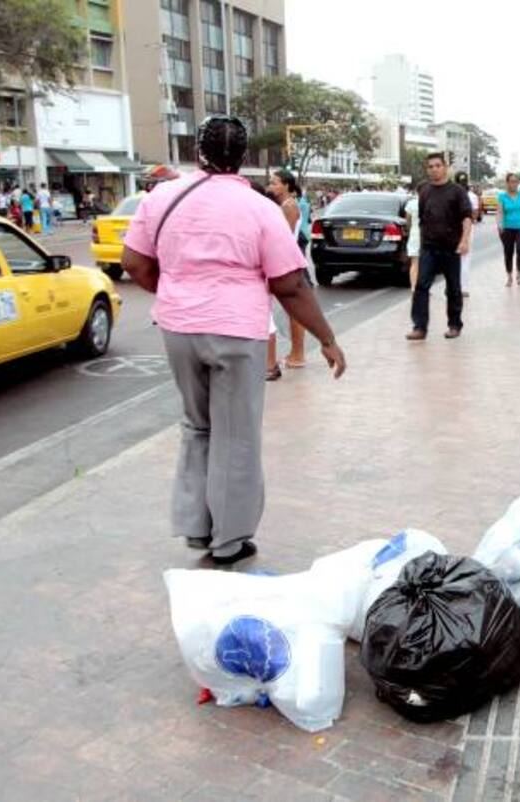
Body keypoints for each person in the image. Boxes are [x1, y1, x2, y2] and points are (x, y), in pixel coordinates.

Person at [120, 115, 345, 566]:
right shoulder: (260, 208)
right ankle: (229, 541)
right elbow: (290, 285)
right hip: (237, 332)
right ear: (243, 157)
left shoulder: (161, 197)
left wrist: (177, 294)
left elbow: (135, 263)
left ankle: (196, 528)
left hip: (179, 329)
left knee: (197, 426)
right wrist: (326, 337)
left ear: (197, 152)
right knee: (235, 434)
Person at [407, 152, 472, 340]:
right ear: (427, 170)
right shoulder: (425, 191)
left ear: (445, 168)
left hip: (451, 247)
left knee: (453, 288)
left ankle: (454, 325)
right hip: (429, 247)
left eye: (438, 165)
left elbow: (467, 218)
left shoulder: (457, 191)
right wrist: (421, 244)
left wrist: (464, 240)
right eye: (430, 167)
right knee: (421, 286)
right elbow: (422, 219)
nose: (434, 169)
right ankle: (420, 327)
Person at [265, 169, 309, 379]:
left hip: (286, 263)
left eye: (275, 183)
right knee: (293, 309)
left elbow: (284, 236)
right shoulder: (285, 205)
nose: (271, 186)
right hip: (286, 262)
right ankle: (296, 353)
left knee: (294, 310)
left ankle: (298, 354)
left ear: (286, 185)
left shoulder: (289, 206)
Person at [496, 172, 520, 287]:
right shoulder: (502, 196)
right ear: (507, 183)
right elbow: (500, 212)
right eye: (512, 181)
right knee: (508, 252)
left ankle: (519, 275)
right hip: (507, 228)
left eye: (516, 181)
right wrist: (500, 224)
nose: (514, 184)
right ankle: (509, 276)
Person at [455, 172, 480, 295]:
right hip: (468, 228)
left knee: (453, 258)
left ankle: (452, 286)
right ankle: (463, 288)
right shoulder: (473, 196)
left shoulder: (451, 194)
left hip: (452, 229)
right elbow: (475, 214)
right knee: (465, 258)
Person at [404, 183, 421, 289]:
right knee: (427, 265)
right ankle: (423, 288)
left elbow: (407, 221)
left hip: (415, 234)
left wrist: (409, 230)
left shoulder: (411, 204)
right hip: (428, 235)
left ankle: (414, 288)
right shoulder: (431, 202)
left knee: (414, 263)